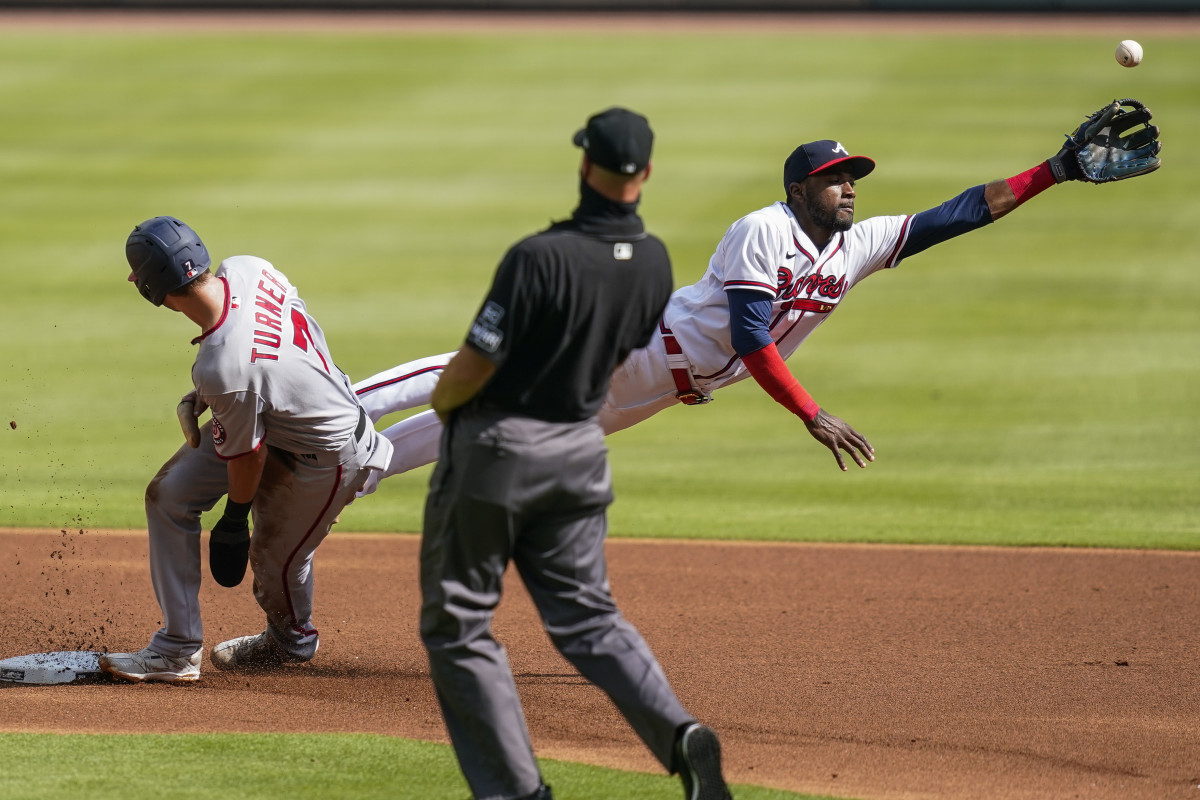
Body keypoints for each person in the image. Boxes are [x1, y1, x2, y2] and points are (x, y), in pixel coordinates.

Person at [353, 99, 1162, 489]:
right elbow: (750, 337)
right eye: (833, 178)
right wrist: (813, 414)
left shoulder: (857, 244)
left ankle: (351, 468)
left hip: (657, 393)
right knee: (492, 369)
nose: (848, 188)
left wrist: (1050, 174)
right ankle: (343, 402)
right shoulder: (762, 230)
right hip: (633, 346)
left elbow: (959, 214)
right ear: (798, 188)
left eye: (852, 178)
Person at [419, 108, 732, 800]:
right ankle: (680, 735)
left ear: (585, 164)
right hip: (582, 451)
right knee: (588, 616)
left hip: (500, 450)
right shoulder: (656, 260)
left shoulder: (538, 256)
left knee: (459, 623)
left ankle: (516, 792)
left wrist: (445, 407)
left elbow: (475, 360)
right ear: (645, 174)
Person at [99, 217, 393, 683]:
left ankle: (289, 641)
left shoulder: (224, 368)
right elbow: (270, 351)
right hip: (282, 415)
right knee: (169, 495)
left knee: (273, 559)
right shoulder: (249, 269)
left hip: (328, 454)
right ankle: (177, 649)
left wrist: (234, 521)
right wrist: (214, 396)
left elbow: (248, 456)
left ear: (153, 290)